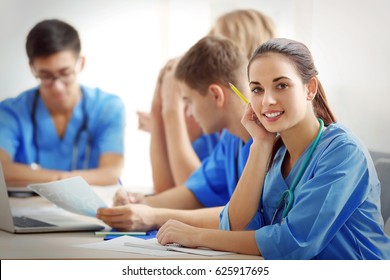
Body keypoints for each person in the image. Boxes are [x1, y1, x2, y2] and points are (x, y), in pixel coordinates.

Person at [156, 38, 390, 259]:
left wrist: (197, 236)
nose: (267, 100)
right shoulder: (276, 152)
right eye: (257, 89)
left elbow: (292, 243)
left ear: (310, 88)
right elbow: (236, 225)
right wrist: (260, 144)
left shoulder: (343, 152)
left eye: (281, 85)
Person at [97, 35, 252, 231]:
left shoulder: (267, 141)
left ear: (215, 95)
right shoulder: (232, 138)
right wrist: (141, 202)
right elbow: (195, 192)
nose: (188, 111)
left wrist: (155, 216)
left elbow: (245, 217)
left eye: (188, 101)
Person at [140, 9, 276, 193]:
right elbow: (182, 190)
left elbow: (195, 196)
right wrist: (159, 107)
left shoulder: (253, 129)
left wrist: (172, 110)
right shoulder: (228, 136)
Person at [0, 19, 125, 187]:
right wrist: (63, 179)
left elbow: (110, 173)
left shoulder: (107, 107)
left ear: (81, 63)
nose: (57, 87)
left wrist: (45, 178)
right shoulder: (11, 111)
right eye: (45, 76)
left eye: (65, 73)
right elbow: (2, 169)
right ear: (32, 68)